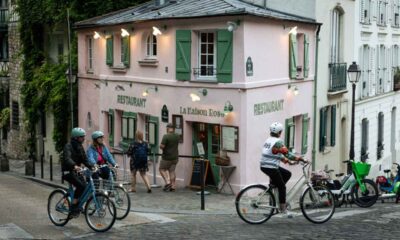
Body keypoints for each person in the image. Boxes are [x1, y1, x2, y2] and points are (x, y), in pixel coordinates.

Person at [260, 122, 305, 218]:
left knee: (287, 174)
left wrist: (287, 162)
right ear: (280, 132)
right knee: (282, 187)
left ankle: (276, 191)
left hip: (266, 166)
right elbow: (288, 154)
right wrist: (300, 159)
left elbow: (277, 154)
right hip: (270, 167)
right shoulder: (277, 142)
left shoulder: (269, 140)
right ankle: (283, 208)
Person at [62, 127, 93, 217]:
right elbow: (67, 159)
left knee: (85, 187)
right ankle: (74, 206)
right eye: (81, 137)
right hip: (68, 171)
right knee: (80, 186)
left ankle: (77, 203)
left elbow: (85, 159)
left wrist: (92, 166)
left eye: (83, 137)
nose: (83, 139)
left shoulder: (80, 147)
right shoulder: (68, 146)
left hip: (76, 171)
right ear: (76, 138)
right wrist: (74, 166)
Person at [159, 123, 180, 192]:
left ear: (168, 128)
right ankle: (173, 186)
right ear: (173, 129)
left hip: (166, 157)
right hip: (175, 157)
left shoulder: (166, 136)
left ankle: (167, 182)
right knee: (172, 171)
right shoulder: (177, 136)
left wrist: (161, 147)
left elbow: (162, 146)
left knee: (161, 169)